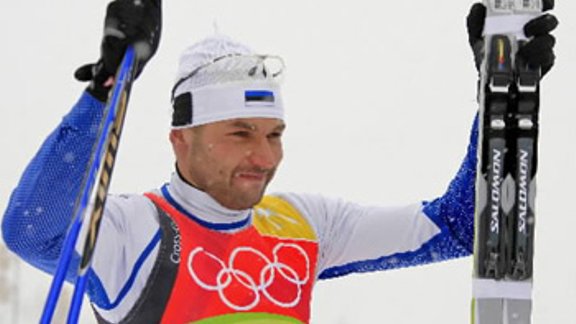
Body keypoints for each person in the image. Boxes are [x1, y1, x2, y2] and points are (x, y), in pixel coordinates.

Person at [1, 1, 557, 323]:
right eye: (240, 133)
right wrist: (104, 93)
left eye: (274, 134)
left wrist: (496, 96)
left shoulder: (302, 224)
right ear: (181, 141)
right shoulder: (135, 230)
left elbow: (462, 227)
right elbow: (32, 231)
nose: (263, 157)